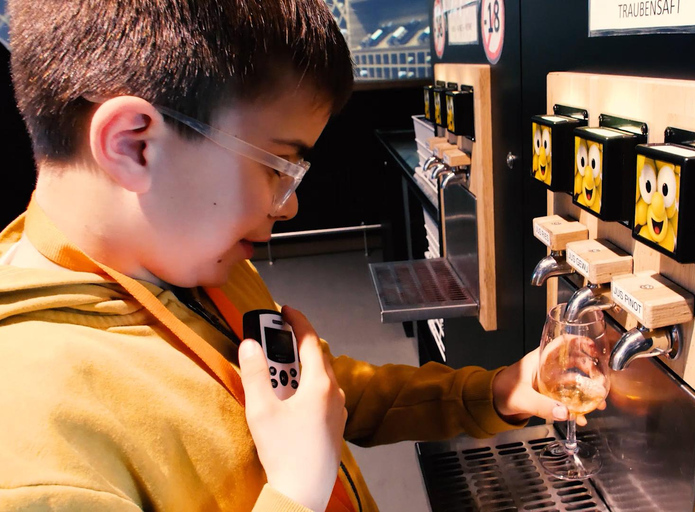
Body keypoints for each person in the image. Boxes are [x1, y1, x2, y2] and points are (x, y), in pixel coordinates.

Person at [0, 0, 578, 510]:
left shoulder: (197, 267)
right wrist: (297, 490)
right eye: (277, 167)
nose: (291, 205)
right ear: (134, 144)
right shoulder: (32, 438)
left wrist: (497, 389)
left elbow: (323, 393)